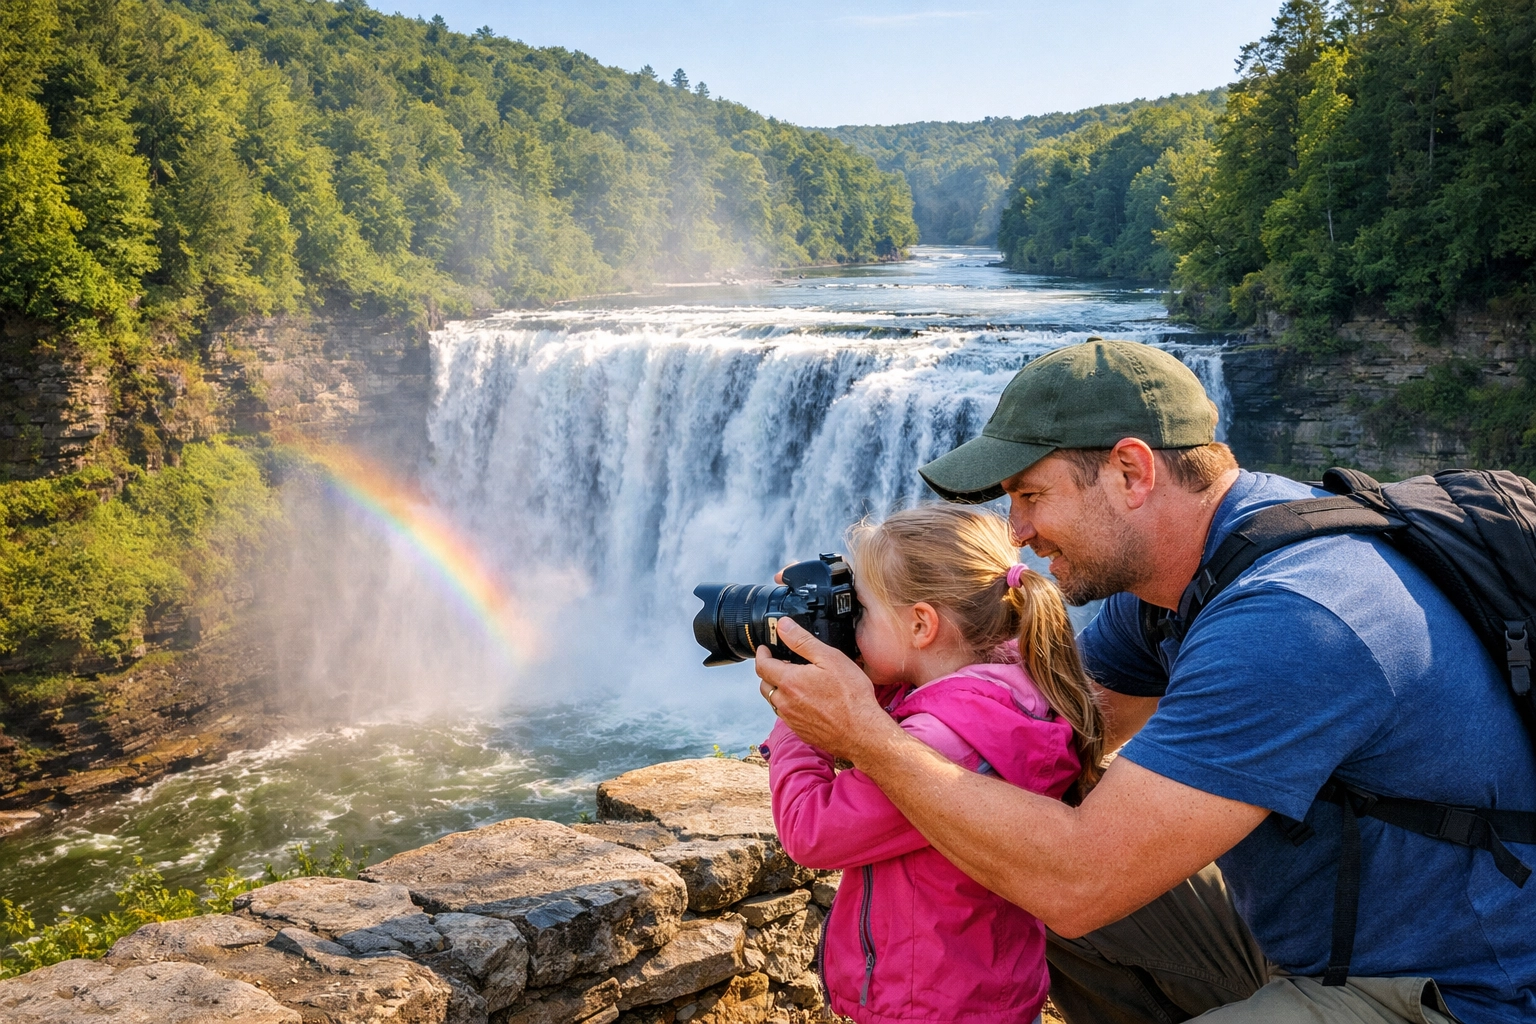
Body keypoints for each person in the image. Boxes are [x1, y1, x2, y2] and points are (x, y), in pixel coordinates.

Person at [755, 338, 1536, 1024]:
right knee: (1004, 874)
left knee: (1051, 883)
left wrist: (867, 737)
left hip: (1447, 991)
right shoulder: (1181, 582)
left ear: (1130, 471)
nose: (1017, 537)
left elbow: (1077, 882)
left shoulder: (1295, 617)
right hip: (1310, 938)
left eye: (1031, 497)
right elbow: (1049, 734)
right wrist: (884, 657)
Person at [763, 504, 1098, 1024]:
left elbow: (812, 829)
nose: (854, 625)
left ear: (922, 624)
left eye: (863, 611)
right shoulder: (1006, 688)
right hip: (985, 992)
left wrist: (796, 716)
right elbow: (905, 697)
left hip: (927, 1003)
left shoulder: (943, 743)